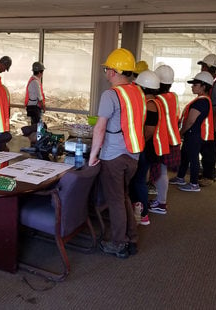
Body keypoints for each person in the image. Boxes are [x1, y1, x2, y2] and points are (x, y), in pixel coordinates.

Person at [88, 48, 146, 259]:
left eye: (106, 68)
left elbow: (100, 128)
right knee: (123, 196)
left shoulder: (111, 94)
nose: (105, 72)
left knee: (115, 200)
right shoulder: (138, 92)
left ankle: (119, 243)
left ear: (113, 71)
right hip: (133, 154)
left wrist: (94, 155)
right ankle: (131, 238)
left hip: (113, 155)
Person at [129, 70, 169, 225]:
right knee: (138, 179)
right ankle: (139, 209)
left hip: (146, 148)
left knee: (138, 180)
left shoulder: (150, 105)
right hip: (149, 148)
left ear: (143, 88)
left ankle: (143, 213)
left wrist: (138, 145)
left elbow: (149, 130)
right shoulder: (156, 101)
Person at [169, 72, 214, 192]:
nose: (192, 86)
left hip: (194, 134)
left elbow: (190, 121)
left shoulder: (201, 102)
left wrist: (181, 132)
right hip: (193, 134)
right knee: (185, 156)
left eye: (195, 84)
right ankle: (180, 177)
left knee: (193, 158)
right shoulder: (202, 100)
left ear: (204, 86)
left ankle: (194, 184)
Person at [148, 65, 181, 215]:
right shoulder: (173, 96)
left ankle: (161, 204)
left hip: (161, 140)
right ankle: (160, 200)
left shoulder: (157, 100)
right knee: (163, 172)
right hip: (173, 138)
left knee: (161, 172)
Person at [197, 54, 216, 186]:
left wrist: (213, 124)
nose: (201, 69)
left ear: (209, 67)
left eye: (203, 66)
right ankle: (209, 172)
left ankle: (208, 176)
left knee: (210, 149)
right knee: (206, 148)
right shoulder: (211, 82)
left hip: (214, 122)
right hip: (209, 121)